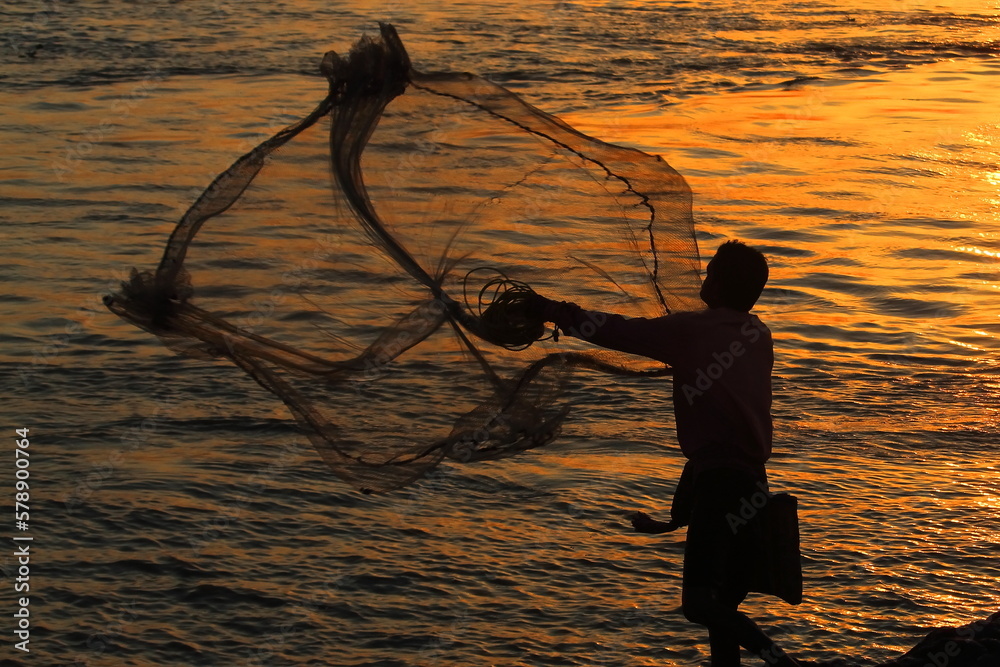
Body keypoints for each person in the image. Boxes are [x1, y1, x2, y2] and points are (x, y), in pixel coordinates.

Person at [526, 240, 802, 667]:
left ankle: (782, 661)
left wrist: (552, 309)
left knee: (698, 604)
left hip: (722, 485)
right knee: (721, 606)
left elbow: (616, 330)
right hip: (751, 487)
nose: (703, 278)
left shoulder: (690, 330)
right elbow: (723, 435)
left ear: (723, 283)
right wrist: (673, 519)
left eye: (710, 272)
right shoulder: (757, 334)